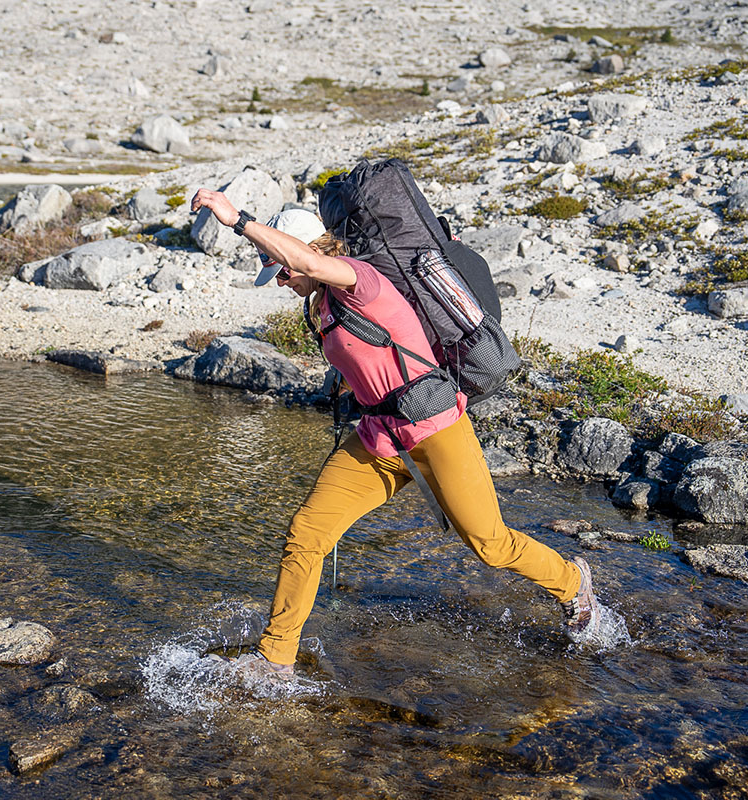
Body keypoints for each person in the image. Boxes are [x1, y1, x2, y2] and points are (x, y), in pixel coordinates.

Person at [189, 188, 603, 682]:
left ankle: (573, 582)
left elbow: (308, 263)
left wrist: (237, 221)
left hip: (436, 429)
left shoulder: (360, 280)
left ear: (313, 253)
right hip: (379, 438)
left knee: (489, 544)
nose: (280, 280)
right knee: (307, 533)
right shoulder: (320, 305)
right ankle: (276, 658)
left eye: (282, 268)